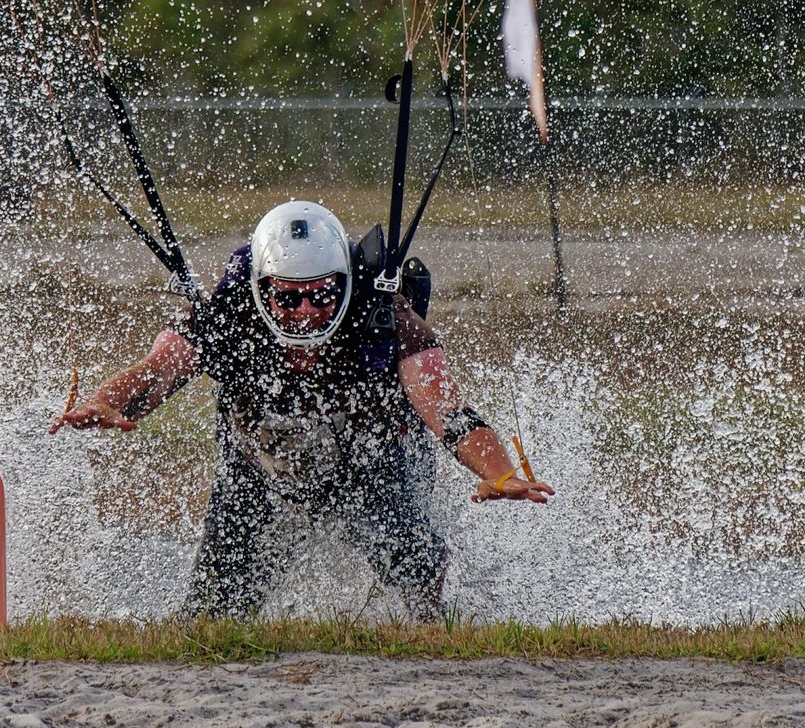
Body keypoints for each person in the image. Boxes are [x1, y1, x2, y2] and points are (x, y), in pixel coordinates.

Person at [51, 200, 553, 620]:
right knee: (211, 616)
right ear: (260, 290)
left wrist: (500, 472)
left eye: (322, 295)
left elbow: (450, 413)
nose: (307, 312)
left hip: (371, 466)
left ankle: (435, 635)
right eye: (288, 300)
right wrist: (107, 400)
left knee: (421, 580)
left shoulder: (391, 321)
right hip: (257, 472)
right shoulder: (226, 318)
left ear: (345, 286)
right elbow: (157, 370)